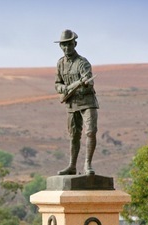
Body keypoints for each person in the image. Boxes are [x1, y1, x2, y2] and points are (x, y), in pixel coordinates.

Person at [54, 29, 99, 175]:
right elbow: (57, 84)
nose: (67, 48)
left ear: (75, 44)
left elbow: (89, 81)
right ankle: (72, 166)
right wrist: (65, 88)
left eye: (69, 44)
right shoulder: (60, 64)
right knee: (74, 135)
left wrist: (85, 83)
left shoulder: (82, 63)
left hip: (87, 102)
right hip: (72, 104)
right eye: (64, 45)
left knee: (91, 132)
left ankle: (87, 165)